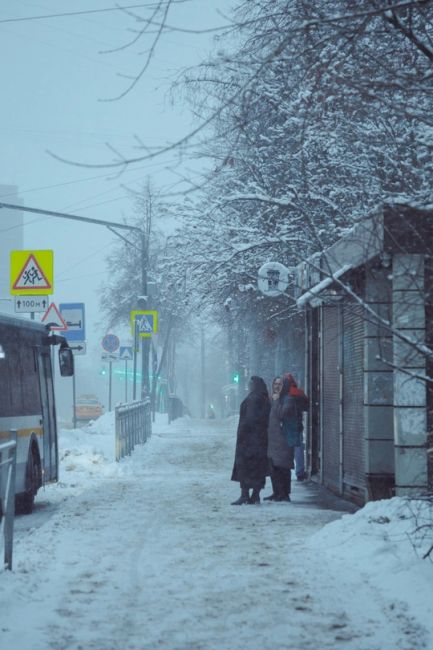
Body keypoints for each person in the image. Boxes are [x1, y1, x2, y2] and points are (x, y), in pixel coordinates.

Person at [231, 376, 271, 505]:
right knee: (257, 468)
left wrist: (244, 433)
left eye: (250, 384)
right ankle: (255, 495)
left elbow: (251, 419)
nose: (249, 386)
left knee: (246, 467)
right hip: (260, 440)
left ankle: (245, 495)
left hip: (249, 441)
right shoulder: (264, 397)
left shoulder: (254, 398)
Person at [264, 376, 295, 502]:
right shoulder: (273, 399)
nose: (277, 386)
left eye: (280, 384)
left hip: (283, 440)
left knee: (283, 467)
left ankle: (284, 493)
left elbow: (282, 414)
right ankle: (276, 492)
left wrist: (276, 402)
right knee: (274, 466)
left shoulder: (287, 399)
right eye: (275, 384)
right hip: (272, 439)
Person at [284, 373, 309, 482]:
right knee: (298, 449)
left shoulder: (283, 395)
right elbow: (306, 406)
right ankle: (300, 472)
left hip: (285, 425)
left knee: (285, 450)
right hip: (297, 425)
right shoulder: (299, 393)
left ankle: (284, 471)